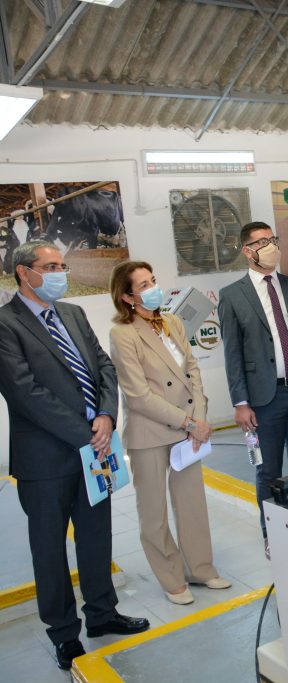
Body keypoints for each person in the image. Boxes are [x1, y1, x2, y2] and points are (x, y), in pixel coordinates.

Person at [0, 241, 149, 671]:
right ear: (24, 273)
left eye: (62, 265)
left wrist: (105, 415)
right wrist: (85, 433)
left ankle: (102, 615)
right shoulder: (5, 324)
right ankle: (64, 634)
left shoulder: (73, 314)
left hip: (94, 451)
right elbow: (24, 391)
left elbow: (103, 367)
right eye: (50, 266)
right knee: (49, 550)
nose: (60, 272)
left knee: (96, 537)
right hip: (45, 460)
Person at [108, 261, 231, 605]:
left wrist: (200, 418)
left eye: (153, 280)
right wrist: (189, 423)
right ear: (128, 296)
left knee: (191, 503)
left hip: (188, 429)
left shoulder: (172, 322)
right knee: (154, 511)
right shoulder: (123, 334)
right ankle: (172, 578)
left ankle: (201, 568)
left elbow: (193, 372)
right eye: (143, 284)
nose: (152, 288)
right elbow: (138, 395)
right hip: (151, 433)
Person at [218, 222, 288, 559]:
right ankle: (274, 535)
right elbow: (232, 354)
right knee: (267, 470)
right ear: (247, 250)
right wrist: (240, 402)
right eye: (262, 241)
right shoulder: (232, 295)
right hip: (262, 400)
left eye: (274, 239)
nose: (271, 246)